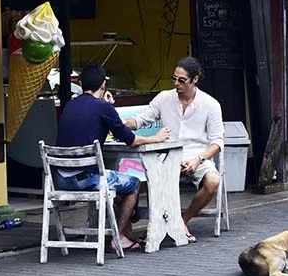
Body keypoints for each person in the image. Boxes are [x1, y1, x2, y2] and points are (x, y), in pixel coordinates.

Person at [55, 64, 170, 250]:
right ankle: (120, 237)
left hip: (60, 179)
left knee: (115, 184)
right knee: (133, 184)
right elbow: (130, 139)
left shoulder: (69, 106)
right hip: (86, 179)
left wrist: (106, 106)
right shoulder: (103, 108)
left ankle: (123, 227)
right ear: (103, 86)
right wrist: (155, 138)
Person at [124, 56, 224, 243]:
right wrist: (121, 124)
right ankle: (153, 223)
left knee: (213, 181)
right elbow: (142, 119)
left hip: (196, 154)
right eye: (174, 79)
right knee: (143, 181)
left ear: (195, 80)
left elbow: (217, 142)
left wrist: (199, 159)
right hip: (168, 154)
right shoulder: (164, 98)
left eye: (181, 80)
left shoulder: (210, 104)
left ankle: (181, 221)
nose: (176, 84)